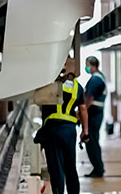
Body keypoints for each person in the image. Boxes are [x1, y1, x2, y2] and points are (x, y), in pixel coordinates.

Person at [37, 63, 88, 194]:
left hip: (53, 129)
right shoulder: (77, 87)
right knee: (70, 166)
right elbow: (83, 109)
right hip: (69, 131)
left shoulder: (50, 83)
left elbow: (38, 100)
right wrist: (85, 131)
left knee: (56, 168)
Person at [83, 56, 108, 178]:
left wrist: (81, 113)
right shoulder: (100, 77)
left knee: (91, 141)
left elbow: (88, 98)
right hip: (97, 113)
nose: (86, 68)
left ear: (93, 65)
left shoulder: (95, 79)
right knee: (93, 141)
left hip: (93, 114)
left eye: (87, 65)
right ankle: (98, 168)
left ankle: (98, 169)